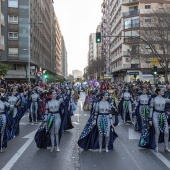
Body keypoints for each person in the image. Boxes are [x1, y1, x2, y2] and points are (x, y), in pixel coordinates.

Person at [149, 88, 170, 152]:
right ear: (158, 92)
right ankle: (156, 146)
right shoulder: (153, 99)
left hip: (163, 115)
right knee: (157, 131)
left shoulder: (165, 99)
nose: (163, 92)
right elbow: (151, 109)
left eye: (163, 91)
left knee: (166, 132)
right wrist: (150, 119)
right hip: (155, 115)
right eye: (162, 91)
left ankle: (166, 147)